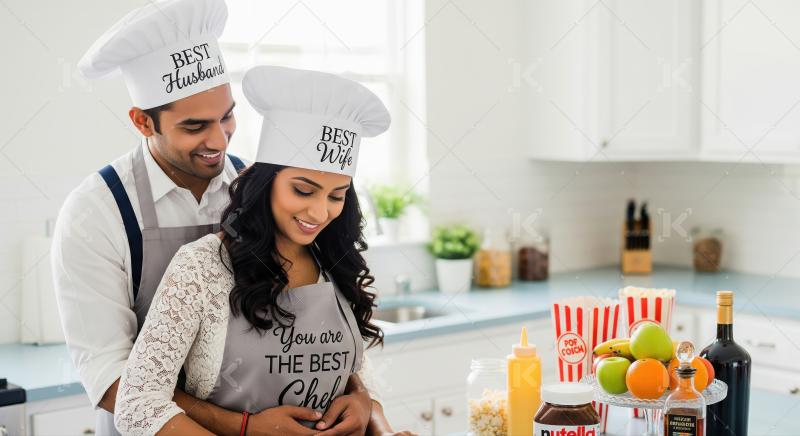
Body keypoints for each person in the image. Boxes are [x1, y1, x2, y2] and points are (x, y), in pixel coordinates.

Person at [53, 2, 386, 434]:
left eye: (227, 115)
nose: (218, 139)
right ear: (142, 122)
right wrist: (244, 426)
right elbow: (114, 378)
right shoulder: (96, 214)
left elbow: (313, 343)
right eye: (194, 126)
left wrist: (362, 400)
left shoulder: (269, 192)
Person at [114, 65, 410, 436]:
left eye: (337, 196)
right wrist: (244, 429)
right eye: (303, 190)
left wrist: (374, 416)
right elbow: (137, 404)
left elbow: (346, 376)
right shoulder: (202, 268)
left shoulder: (333, 263)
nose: (320, 212)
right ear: (264, 181)